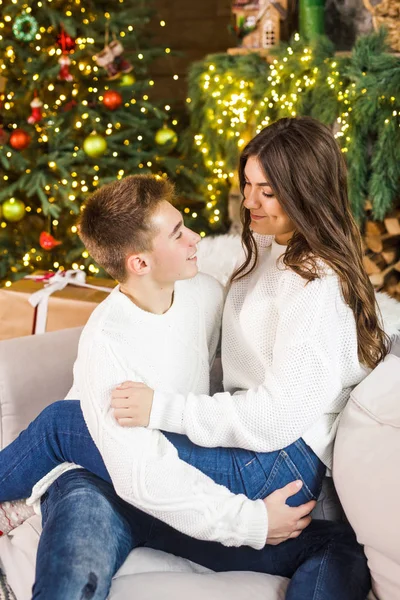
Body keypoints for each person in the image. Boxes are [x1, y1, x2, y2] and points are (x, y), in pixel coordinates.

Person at [0, 117, 378, 599]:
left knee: (60, 424)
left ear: (304, 192)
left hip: (271, 462)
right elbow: (147, 466)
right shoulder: (269, 251)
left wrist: (163, 408)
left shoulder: (311, 285)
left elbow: (280, 409)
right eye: (247, 185)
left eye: (266, 191)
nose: (247, 202)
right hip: (235, 461)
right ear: (140, 262)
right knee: (72, 438)